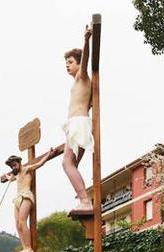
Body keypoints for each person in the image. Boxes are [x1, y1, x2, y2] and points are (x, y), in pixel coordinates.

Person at [62, 26, 94, 214]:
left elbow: (87, 59)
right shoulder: (79, 82)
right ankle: (83, 198)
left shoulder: (82, 77)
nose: (67, 65)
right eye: (66, 62)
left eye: (70, 61)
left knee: (67, 164)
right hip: (77, 125)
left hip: (78, 123)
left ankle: (84, 200)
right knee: (71, 164)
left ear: (78, 63)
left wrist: (86, 40)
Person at [1, 150, 58, 252]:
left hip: (26, 195)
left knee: (22, 221)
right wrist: (5, 177)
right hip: (18, 198)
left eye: (14, 165)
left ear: (19, 163)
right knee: (17, 224)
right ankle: (24, 247)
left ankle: (29, 247)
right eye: (11, 166)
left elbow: (39, 163)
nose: (13, 167)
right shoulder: (16, 175)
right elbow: (8, 178)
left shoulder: (26, 169)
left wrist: (48, 154)